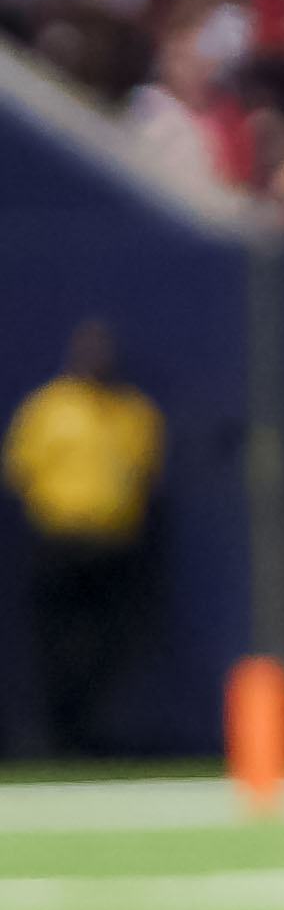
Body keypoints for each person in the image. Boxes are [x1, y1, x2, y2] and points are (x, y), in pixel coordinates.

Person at [4, 321, 164, 757]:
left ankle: (92, 733)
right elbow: (22, 470)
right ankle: (54, 735)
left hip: (113, 546)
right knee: (55, 644)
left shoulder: (134, 413)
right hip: (61, 544)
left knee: (107, 645)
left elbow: (143, 474)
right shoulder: (49, 408)